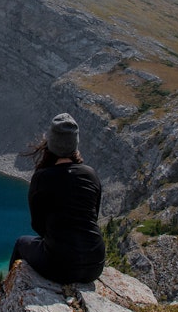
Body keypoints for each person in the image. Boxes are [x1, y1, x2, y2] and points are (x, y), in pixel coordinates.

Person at [9, 113, 106, 285]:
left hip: (61, 267)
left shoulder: (42, 178)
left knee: (20, 243)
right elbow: (93, 217)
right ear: (75, 144)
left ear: (51, 144)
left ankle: (7, 295)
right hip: (95, 265)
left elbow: (38, 226)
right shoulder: (91, 175)